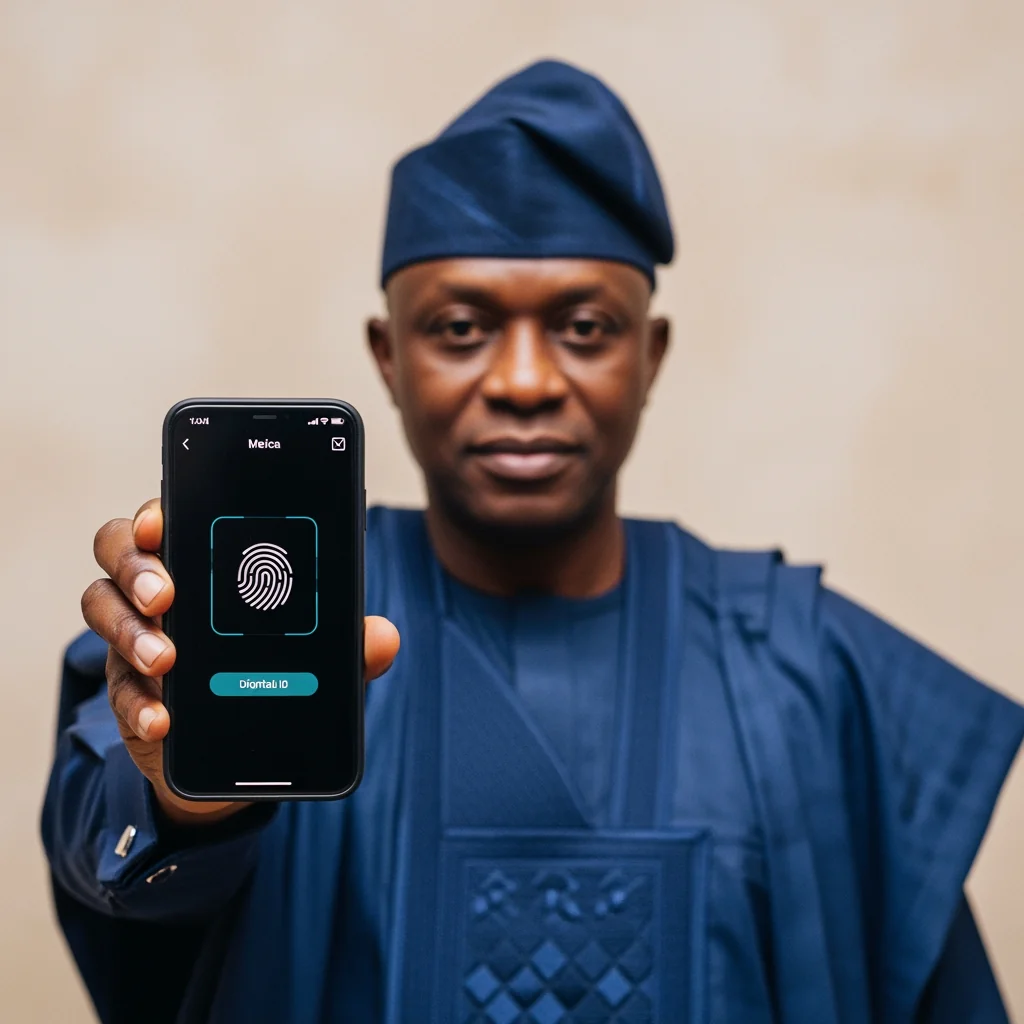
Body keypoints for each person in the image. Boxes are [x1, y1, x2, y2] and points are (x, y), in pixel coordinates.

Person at [41, 59, 1023, 1024]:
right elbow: (112, 855)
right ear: (388, 356)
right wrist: (188, 797)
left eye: (585, 326)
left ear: (652, 354)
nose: (521, 379)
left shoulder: (805, 669)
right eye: (461, 327)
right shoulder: (274, 623)